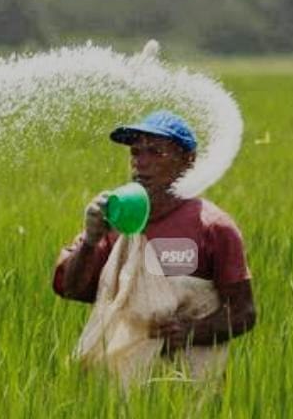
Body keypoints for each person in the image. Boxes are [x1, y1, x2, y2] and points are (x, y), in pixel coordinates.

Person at [53, 110, 256, 358]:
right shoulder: (116, 220)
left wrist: (191, 331)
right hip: (117, 380)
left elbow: (243, 313)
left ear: (188, 161)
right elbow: (73, 289)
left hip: (188, 382)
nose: (141, 161)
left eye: (156, 152)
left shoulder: (213, 227)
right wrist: (90, 241)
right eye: (136, 152)